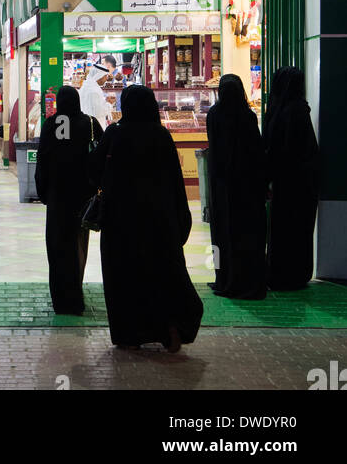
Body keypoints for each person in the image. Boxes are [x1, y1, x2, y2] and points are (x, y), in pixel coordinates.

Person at [88, 84, 203, 351]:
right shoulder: (161, 135)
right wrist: (181, 219)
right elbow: (176, 182)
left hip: (120, 222)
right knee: (160, 274)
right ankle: (168, 327)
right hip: (158, 221)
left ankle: (129, 334)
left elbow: (93, 170)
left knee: (124, 277)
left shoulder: (115, 134)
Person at [35, 86, 104, 315]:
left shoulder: (50, 124)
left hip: (57, 196)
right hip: (83, 196)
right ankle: (75, 297)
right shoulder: (89, 123)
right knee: (77, 245)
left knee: (56, 245)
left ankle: (60, 299)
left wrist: (42, 191)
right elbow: (102, 156)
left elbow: (42, 160)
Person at [205, 74, 267, 299]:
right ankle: (248, 280)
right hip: (247, 188)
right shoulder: (248, 117)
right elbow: (256, 152)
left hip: (221, 186)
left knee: (221, 234)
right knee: (247, 235)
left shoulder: (214, 115)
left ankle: (223, 279)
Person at [263, 66, 319, 289]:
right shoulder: (298, 110)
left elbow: (271, 147)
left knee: (281, 229)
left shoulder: (276, 110)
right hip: (301, 183)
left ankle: (278, 271)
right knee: (299, 230)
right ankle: (296, 273)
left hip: (281, 182)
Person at [79, 59, 111, 125]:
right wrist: (109, 104)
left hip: (86, 124)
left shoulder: (87, 85)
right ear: (100, 76)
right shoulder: (94, 90)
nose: (106, 79)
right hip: (94, 127)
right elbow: (99, 112)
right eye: (105, 76)